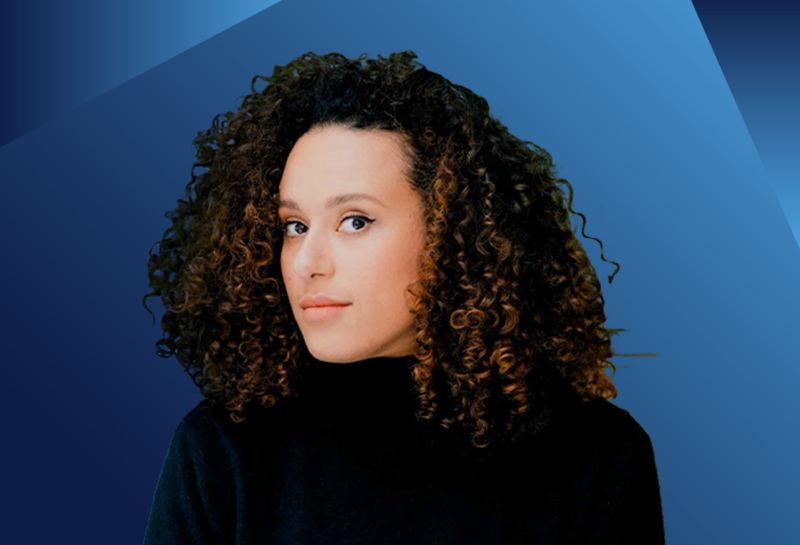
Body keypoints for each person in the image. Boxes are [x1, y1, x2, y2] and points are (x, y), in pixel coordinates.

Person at [142, 50, 665, 544]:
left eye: (354, 221)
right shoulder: (220, 450)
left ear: (452, 232)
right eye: (294, 225)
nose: (305, 263)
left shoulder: (598, 455)